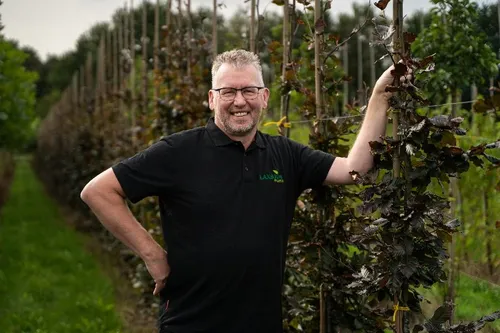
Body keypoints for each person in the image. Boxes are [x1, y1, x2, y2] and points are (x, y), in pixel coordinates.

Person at [80, 49, 401, 333]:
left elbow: (354, 169)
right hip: (190, 323)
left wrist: (379, 96)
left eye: (248, 90)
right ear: (211, 98)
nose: (239, 101)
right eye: (228, 91)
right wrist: (151, 255)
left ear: (264, 97)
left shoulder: (286, 155)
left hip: (261, 323)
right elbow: (99, 191)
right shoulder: (178, 152)